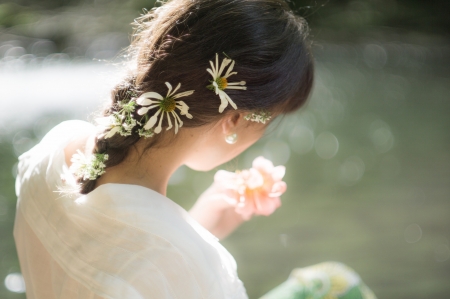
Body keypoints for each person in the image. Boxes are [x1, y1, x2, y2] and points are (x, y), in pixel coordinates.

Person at [13, 0, 376, 298]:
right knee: (338, 286)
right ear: (234, 120)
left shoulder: (52, 151)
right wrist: (194, 241)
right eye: (266, 124)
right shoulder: (201, 267)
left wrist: (198, 226)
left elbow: (108, 257)